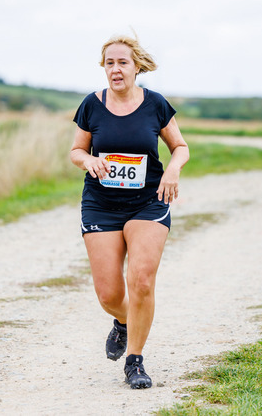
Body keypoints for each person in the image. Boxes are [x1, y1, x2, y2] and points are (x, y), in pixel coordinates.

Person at [70, 34, 189, 389]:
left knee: (141, 280)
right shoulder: (92, 105)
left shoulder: (155, 104)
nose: (116, 69)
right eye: (110, 63)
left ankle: (134, 360)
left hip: (148, 201)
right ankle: (123, 322)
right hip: (101, 204)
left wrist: (172, 169)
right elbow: (76, 151)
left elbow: (180, 147)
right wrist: (88, 160)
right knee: (109, 294)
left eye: (123, 62)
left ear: (137, 67)